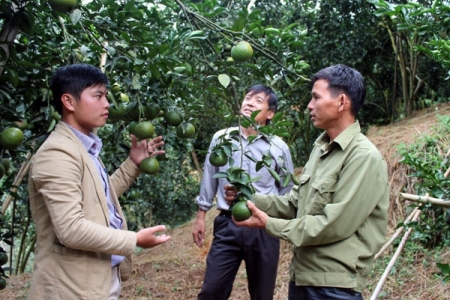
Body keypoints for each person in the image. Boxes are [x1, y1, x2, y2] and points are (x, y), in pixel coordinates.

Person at [225, 65, 389, 300]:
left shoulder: (363, 157)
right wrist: (250, 198)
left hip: (335, 288)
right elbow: (295, 203)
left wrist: (269, 224)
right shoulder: (321, 148)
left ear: (342, 102)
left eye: (315, 97)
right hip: (303, 278)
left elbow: (332, 224)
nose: (309, 106)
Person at [27, 63, 171, 300]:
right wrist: (133, 240)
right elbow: (71, 229)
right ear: (69, 102)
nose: (107, 104)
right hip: (69, 288)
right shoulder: (57, 154)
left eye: (106, 96)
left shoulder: (83, 148)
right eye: (98, 96)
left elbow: (96, 199)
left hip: (95, 280)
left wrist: (132, 164)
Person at [192, 84, 295, 300]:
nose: (249, 102)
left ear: (270, 114)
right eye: (247, 98)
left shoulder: (278, 148)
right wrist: (201, 216)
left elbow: (287, 193)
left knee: (262, 294)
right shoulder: (221, 138)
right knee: (212, 291)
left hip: (263, 227)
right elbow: (210, 176)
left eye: (258, 100)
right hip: (227, 224)